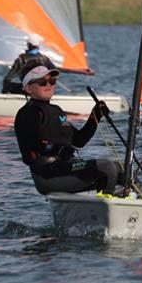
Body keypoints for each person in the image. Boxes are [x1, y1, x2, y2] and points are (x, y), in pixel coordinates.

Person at [14, 65, 120, 195]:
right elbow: (35, 142)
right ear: (28, 88)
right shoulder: (28, 113)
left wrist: (95, 116)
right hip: (47, 174)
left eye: (52, 81)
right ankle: (108, 204)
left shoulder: (56, 111)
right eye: (42, 82)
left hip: (67, 167)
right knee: (106, 167)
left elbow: (79, 141)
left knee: (121, 169)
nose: (49, 84)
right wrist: (59, 150)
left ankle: (138, 204)